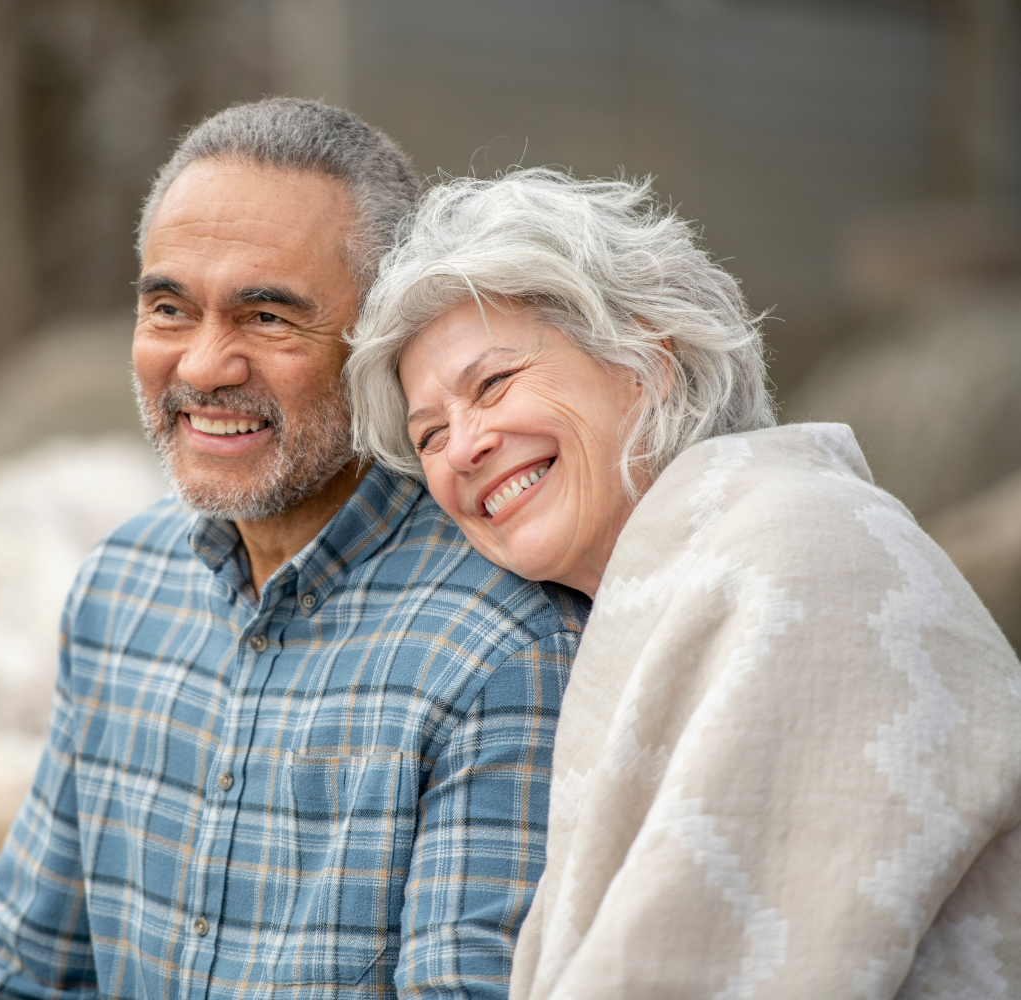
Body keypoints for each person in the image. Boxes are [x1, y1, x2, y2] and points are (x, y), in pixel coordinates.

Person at [0, 100, 589, 1000]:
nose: (204, 367)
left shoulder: (504, 645)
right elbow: (17, 965)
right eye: (169, 307)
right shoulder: (120, 586)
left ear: (384, 341)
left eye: (267, 318)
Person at [346, 167, 1021, 999]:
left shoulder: (799, 551)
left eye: (493, 384)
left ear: (649, 359)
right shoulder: (658, 581)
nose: (462, 448)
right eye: (429, 434)